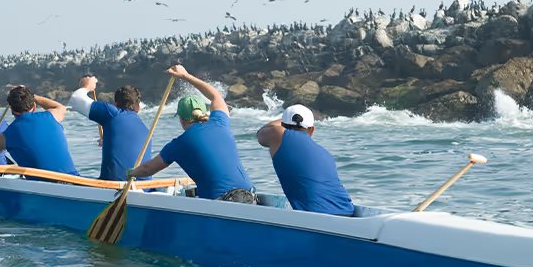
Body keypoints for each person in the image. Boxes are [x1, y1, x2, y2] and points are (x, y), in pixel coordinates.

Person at [126, 65, 255, 202]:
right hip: (249, 195)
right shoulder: (220, 121)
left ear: (181, 120)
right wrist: (186, 76)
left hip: (221, 202)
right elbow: (215, 95)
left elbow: (148, 169)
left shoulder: (179, 144)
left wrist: (131, 173)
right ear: (204, 112)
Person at [256, 104, 356, 216]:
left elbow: (261, 135)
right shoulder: (326, 154)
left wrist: (284, 120)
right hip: (348, 211)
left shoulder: (278, 135)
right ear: (312, 130)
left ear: (283, 126)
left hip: (318, 216)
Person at [0, 86, 78, 175]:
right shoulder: (51, 116)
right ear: (34, 106)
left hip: (43, 186)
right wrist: (33, 96)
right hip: (75, 180)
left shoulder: (5, 136)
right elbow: (60, 107)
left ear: (11, 110)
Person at [68, 75, 153, 181]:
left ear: (115, 104)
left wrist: (87, 86)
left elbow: (75, 100)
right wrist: (108, 140)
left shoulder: (112, 113)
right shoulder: (146, 130)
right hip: (144, 186)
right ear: (138, 107)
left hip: (115, 186)